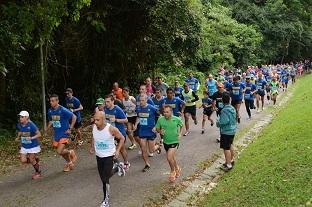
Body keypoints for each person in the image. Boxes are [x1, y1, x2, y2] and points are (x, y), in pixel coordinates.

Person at [90, 111, 125, 207]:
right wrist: (92, 147)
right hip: (99, 156)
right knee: (103, 178)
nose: (95, 122)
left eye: (97, 120)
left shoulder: (111, 129)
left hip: (109, 156)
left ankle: (106, 200)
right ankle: (118, 168)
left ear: (103, 119)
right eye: (94, 119)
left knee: (105, 179)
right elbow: (94, 137)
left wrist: (118, 151)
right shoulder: (94, 127)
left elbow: (122, 138)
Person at [46, 94, 77, 172]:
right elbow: (51, 120)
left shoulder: (63, 110)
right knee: (61, 152)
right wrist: (47, 128)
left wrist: (70, 128)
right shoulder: (50, 111)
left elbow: (74, 117)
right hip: (57, 134)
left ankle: (70, 152)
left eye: (53, 101)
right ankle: (70, 163)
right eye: (50, 101)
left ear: (57, 101)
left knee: (59, 151)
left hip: (64, 133)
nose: (51, 102)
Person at [155, 105, 183, 183]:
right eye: (164, 112)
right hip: (166, 142)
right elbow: (157, 128)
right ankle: (177, 168)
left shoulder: (176, 119)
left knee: (169, 157)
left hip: (174, 141)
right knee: (172, 158)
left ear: (171, 112)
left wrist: (180, 134)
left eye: (167, 112)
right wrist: (160, 131)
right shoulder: (160, 119)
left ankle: (172, 171)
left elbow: (181, 125)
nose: (165, 113)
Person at [134, 94, 161, 172]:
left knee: (151, 150)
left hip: (151, 131)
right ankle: (147, 164)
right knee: (143, 148)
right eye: (140, 101)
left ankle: (158, 146)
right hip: (142, 131)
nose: (141, 102)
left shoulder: (152, 108)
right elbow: (138, 117)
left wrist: (156, 126)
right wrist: (136, 124)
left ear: (146, 100)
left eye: (143, 100)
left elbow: (159, 117)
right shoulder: (138, 109)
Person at [104, 95, 130, 171]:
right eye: (105, 102)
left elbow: (126, 120)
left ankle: (126, 163)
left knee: (121, 149)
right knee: (110, 149)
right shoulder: (105, 109)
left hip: (120, 133)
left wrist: (116, 120)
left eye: (108, 102)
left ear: (112, 101)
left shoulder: (117, 109)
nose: (106, 103)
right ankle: (115, 163)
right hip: (110, 134)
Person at [16, 111, 42, 180]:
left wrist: (31, 138)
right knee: (23, 160)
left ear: (27, 117)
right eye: (20, 117)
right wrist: (18, 137)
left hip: (33, 145)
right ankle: (35, 161)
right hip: (24, 145)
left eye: (22, 117)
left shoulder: (31, 125)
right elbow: (21, 131)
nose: (20, 118)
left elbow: (39, 134)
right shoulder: (19, 124)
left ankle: (38, 172)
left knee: (31, 159)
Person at [216, 92, 237, 172]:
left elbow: (224, 122)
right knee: (230, 145)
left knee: (226, 148)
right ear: (230, 100)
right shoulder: (232, 108)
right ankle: (231, 160)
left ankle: (228, 165)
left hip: (226, 132)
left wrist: (218, 122)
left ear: (222, 101)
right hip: (232, 130)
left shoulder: (224, 110)